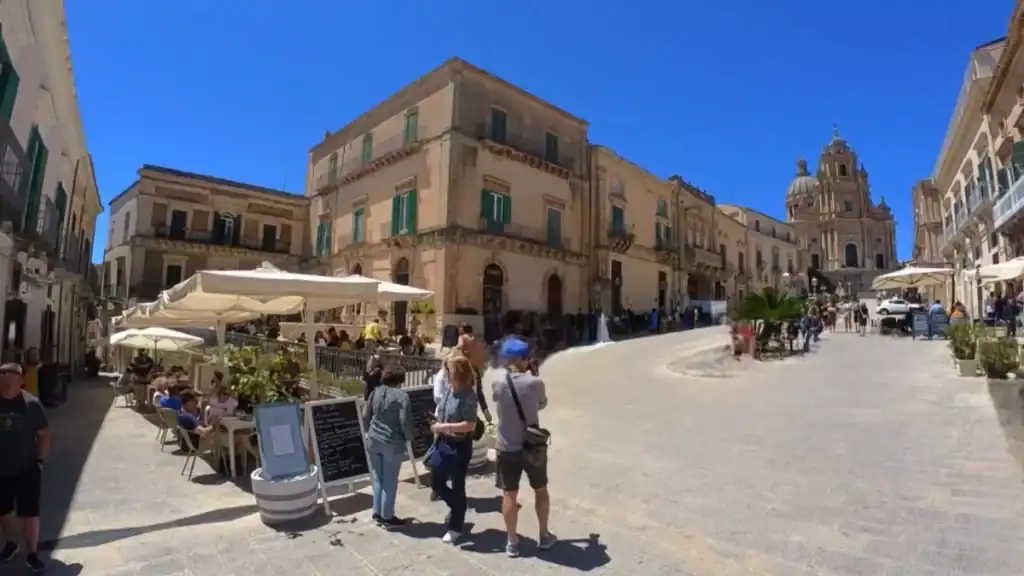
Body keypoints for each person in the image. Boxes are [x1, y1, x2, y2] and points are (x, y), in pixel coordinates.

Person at [490, 337, 554, 557]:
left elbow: (497, 399)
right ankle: (544, 536)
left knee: (509, 495)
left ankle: (512, 542)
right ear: (527, 358)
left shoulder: (498, 381)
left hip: (507, 446)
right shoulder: (535, 383)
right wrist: (533, 374)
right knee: (541, 490)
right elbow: (542, 404)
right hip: (532, 446)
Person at [0, 362, 49, 571]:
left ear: (21, 380)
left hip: (27, 467)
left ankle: (32, 553)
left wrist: (39, 460)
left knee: (30, 512)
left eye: (11, 376)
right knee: (3, 510)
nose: (6, 379)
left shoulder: (32, 404)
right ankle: (11, 543)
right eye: (2, 375)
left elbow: (44, 435)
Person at [430, 355, 478, 544]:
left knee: (458, 486)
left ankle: (456, 526)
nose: (445, 374)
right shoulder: (449, 389)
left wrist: (443, 427)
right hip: (443, 442)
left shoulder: (468, 396)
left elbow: (470, 424)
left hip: (459, 446)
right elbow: (442, 410)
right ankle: (459, 507)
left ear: (457, 373)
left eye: (449, 370)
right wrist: (437, 424)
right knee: (437, 482)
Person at [362, 364, 413, 528]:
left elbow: (365, 416)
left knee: (377, 477)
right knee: (390, 480)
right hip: (392, 442)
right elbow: (405, 422)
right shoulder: (402, 397)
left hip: (373, 439)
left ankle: (377, 512)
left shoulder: (374, 392)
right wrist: (410, 438)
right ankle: (388, 517)